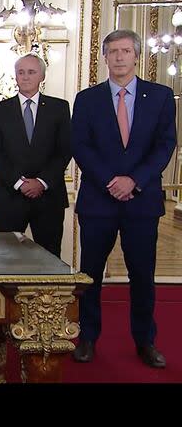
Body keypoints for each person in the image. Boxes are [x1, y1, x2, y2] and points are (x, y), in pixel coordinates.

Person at [71, 29, 176, 368]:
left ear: (136, 56)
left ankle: (145, 341)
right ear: (105, 57)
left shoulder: (160, 96)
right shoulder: (87, 100)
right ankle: (87, 337)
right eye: (113, 51)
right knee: (91, 275)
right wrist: (111, 181)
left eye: (125, 51)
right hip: (98, 202)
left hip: (141, 202)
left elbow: (164, 145)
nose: (119, 57)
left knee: (142, 275)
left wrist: (135, 180)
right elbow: (81, 146)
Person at [0, 52, 72, 257]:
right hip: (9, 195)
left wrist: (41, 182)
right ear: (15, 76)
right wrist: (19, 183)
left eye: (31, 72)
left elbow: (64, 150)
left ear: (42, 76)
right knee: (4, 258)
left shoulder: (59, 108)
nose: (25, 77)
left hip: (48, 197)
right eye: (21, 72)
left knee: (49, 257)